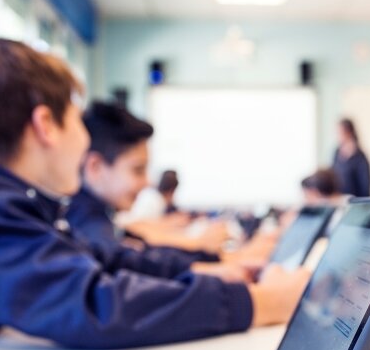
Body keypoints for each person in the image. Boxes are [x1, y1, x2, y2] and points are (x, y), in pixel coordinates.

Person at [0, 39, 308, 349]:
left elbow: (104, 259)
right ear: (46, 125)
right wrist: (262, 302)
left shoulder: (15, 205)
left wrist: (208, 272)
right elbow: (100, 303)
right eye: (76, 120)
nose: (84, 140)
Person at [66, 101, 241, 282]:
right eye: (138, 170)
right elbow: (123, 262)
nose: (147, 182)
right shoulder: (86, 225)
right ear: (95, 167)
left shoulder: (95, 216)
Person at [331, 118, 370, 197]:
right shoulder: (336, 153)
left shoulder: (360, 158)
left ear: (349, 133)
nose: (337, 136)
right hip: (339, 201)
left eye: (339, 132)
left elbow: (365, 188)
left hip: (355, 202)